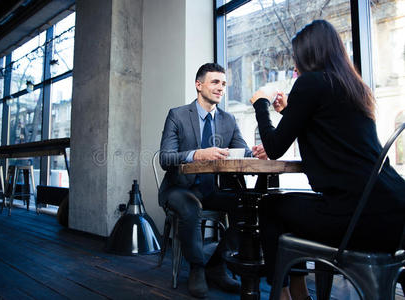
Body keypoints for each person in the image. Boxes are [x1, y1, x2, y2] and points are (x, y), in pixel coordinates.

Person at [250, 20, 405, 300]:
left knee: (271, 206)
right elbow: (330, 129)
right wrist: (290, 111)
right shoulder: (353, 87)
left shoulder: (309, 83)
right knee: (288, 205)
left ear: (307, 55)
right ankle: (300, 293)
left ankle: (283, 295)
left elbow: (273, 148)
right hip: (395, 211)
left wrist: (260, 103)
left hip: (358, 217)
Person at [159, 62, 267, 298]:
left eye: (224, 83)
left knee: (249, 207)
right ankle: (197, 267)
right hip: (180, 188)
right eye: (215, 82)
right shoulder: (177, 115)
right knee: (190, 209)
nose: (221, 88)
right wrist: (197, 154)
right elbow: (166, 159)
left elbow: (242, 152)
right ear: (199, 85)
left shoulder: (228, 120)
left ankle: (216, 265)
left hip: (213, 189)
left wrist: (256, 153)